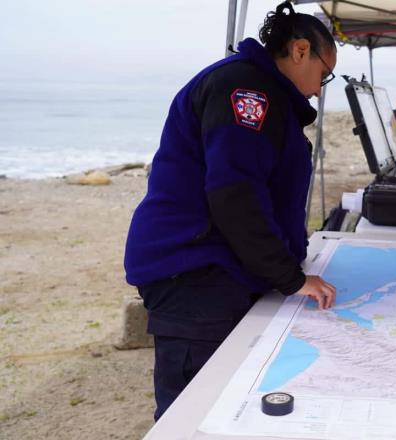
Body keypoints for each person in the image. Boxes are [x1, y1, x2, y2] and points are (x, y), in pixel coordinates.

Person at [123, 1, 337, 420]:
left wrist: (287, 257)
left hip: (222, 269)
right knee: (196, 412)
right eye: (324, 73)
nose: (318, 87)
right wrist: (290, 277)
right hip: (195, 274)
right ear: (299, 51)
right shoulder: (245, 90)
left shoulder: (267, 93)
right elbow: (235, 193)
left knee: (231, 402)